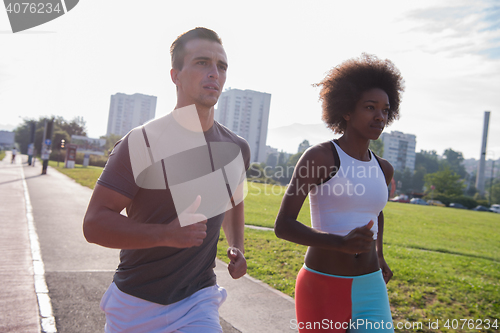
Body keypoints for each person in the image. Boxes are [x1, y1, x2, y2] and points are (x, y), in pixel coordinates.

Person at [83, 27, 250, 333]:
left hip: (198, 300)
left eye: (221, 66)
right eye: (202, 62)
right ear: (175, 75)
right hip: (135, 304)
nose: (214, 73)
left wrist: (237, 245)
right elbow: (94, 224)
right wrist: (166, 234)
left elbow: (233, 200)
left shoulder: (236, 148)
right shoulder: (142, 143)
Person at [274, 54, 404, 332]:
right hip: (323, 285)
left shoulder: (384, 168)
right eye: (370, 107)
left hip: (371, 286)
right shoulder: (320, 157)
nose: (380, 116)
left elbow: (375, 212)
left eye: (385, 109)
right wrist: (340, 243)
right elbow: (283, 225)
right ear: (346, 110)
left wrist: (379, 255)